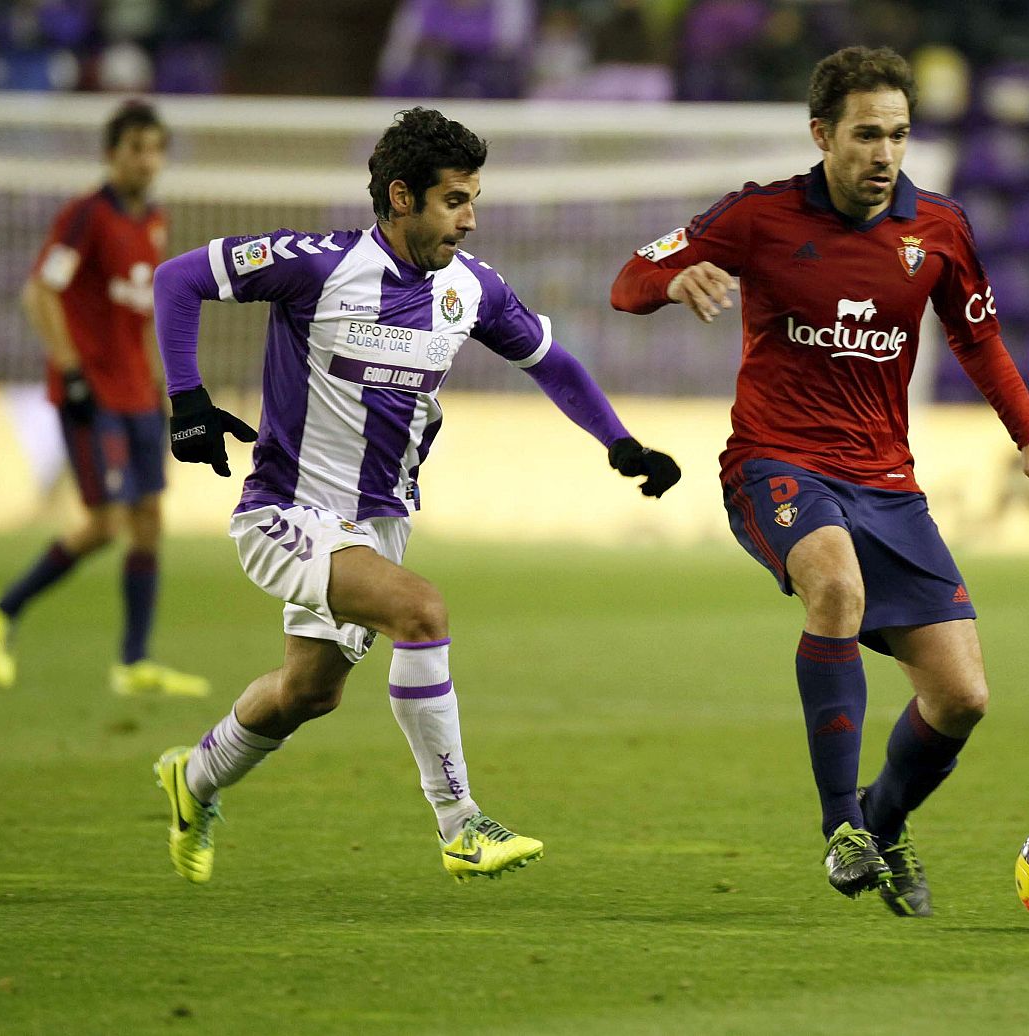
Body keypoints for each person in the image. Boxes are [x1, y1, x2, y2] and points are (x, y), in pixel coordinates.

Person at [148, 107, 680, 886]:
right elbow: (177, 278)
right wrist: (186, 399)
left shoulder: (473, 290)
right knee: (421, 612)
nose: (470, 219)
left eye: (472, 200)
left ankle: (191, 782)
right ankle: (462, 825)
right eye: (455, 200)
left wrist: (620, 443)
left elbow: (550, 361)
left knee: (308, 692)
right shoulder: (316, 264)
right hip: (285, 513)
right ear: (402, 197)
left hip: (379, 525)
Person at [611, 46, 1029, 917]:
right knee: (834, 582)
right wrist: (675, 279)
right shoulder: (756, 215)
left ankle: (883, 820)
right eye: (867, 135)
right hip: (774, 462)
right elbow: (628, 279)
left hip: (888, 484)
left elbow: (978, 338)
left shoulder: (937, 229)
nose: (885, 154)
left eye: (899, 135)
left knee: (963, 697)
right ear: (823, 134)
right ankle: (842, 830)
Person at [0, 100, 210, 699]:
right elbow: (39, 294)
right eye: (136, 148)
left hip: (137, 393)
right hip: (93, 392)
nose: (147, 160)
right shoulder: (85, 215)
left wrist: (166, 388)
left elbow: (144, 313)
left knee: (150, 520)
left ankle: (133, 661)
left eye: (155, 148)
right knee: (105, 525)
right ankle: (0, 608)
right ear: (111, 154)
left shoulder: (155, 222)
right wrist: (71, 371)